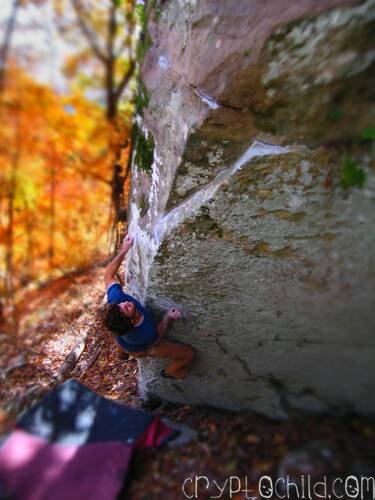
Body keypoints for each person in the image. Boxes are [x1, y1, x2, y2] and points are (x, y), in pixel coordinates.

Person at [103, 233, 195, 380]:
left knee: (120, 341)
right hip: (141, 348)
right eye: (126, 308)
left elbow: (108, 276)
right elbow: (157, 338)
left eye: (122, 304)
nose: (125, 302)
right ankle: (171, 372)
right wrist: (167, 318)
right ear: (131, 322)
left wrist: (124, 250)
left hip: (121, 337)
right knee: (187, 354)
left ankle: (122, 355)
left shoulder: (116, 301)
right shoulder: (145, 334)